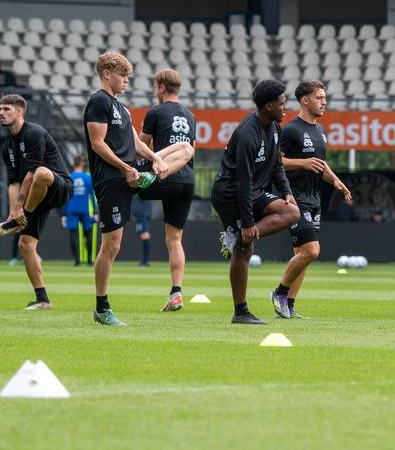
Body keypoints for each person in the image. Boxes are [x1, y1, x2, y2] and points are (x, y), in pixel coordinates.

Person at [84, 51, 173, 326]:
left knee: (181, 149)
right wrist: (125, 168)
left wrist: (156, 157)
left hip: (130, 175)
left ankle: (168, 177)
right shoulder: (99, 102)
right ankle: (101, 307)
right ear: (107, 74)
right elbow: (98, 144)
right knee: (112, 244)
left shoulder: (121, 108)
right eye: (122, 75)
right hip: (113, 179)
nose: (126, 81)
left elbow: (135, 143)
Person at [210, 79, 300, 324]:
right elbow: (243, 182)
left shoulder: (274, 127)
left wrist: (286, 192)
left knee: (292, 212)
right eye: (283, 103)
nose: (286, 108)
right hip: (230, 195)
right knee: (245, 251)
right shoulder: (248, 133)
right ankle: (240, 312)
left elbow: (277, 165)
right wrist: (248, 222)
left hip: (254, 192)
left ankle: (237, 237)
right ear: (269, 106)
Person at [273, 79, 353, 319]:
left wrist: (335, 180)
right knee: (311, 251)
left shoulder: (320, 131)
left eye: (325, 98)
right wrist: (301, 163)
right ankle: (279, 292)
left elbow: (320, 162)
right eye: (319, 97)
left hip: (314, 198)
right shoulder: (290, 130)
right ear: (305, 100)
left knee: (303, 255)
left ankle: (289, 305)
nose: (324, 102)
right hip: (294, 199)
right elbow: (275, 162)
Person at [0, 94, 74, 310]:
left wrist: (21, 210)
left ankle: (22, 218)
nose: (1, 112)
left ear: (20, 111)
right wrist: (12, 212)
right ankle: (42, 299)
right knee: (25, 245)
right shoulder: (7, 146)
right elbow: (13, 183)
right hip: (35, 197)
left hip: (58, 187)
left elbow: (30, 174)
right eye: (0, 109)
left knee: (41, 172)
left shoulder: (34, 133)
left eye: (7, 109)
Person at [138, 68, 198, 311]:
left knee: (129, 184)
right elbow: (191, 149)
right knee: (174, 239)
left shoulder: (155, 112)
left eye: (155, 87)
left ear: (162, 87)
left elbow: (142, 148)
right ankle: (176, 292)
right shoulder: (191, 115)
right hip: (186, 181)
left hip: (162, 176)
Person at [62, 155, 96, 266]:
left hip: (71, 209)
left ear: (73, 164)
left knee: (73, 234)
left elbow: (65, 197)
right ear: (81, 163)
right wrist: (96, 211)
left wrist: (64, 214)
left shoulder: (69, 177)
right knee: (88, 233)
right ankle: (90, 260)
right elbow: (92, 195)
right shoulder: (87, 178)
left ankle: (76, 260)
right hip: (84, 209)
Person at [131, 195, 153, 267]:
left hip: (142, 213)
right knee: (143, 235)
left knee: (145, 235)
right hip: (143, 213)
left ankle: (146, 260)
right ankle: (146, 260)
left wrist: (136, 212)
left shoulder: (141, 187)